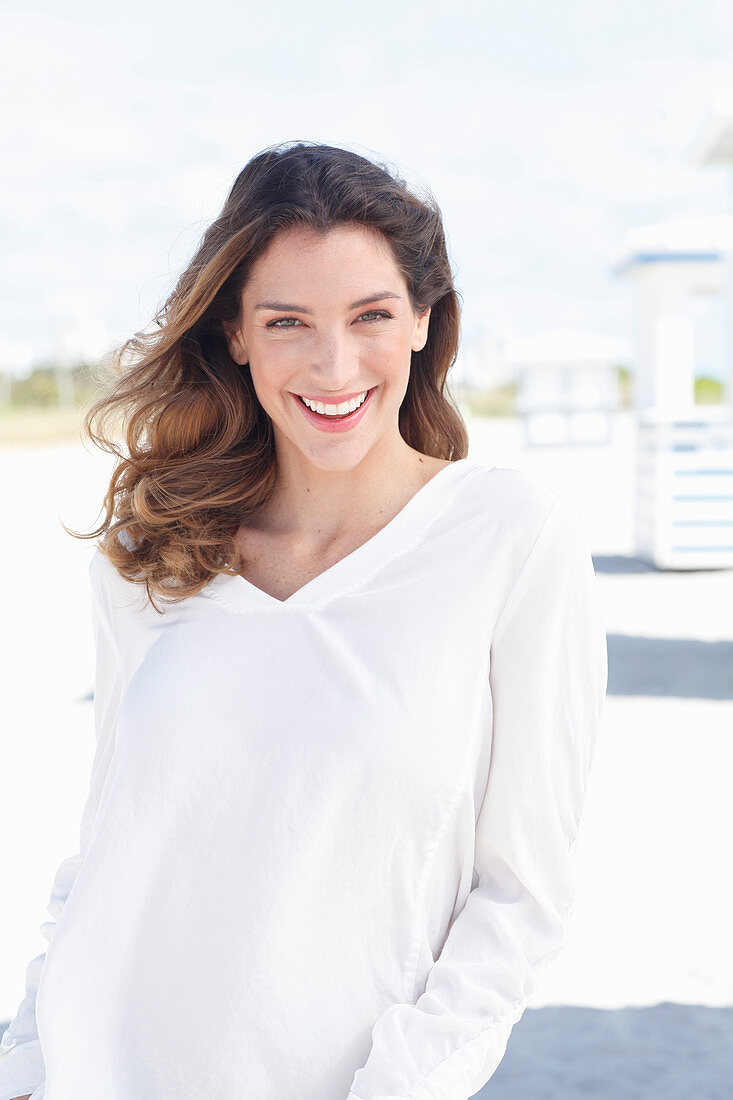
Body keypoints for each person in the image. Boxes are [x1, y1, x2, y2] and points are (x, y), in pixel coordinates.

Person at [0, 140, 608, 1100]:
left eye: (370, 315)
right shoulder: (152, 553)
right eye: (287, 321)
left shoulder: (509, 538)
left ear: (421, 321)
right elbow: (109, 850)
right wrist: (27, 1060)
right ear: (235, 335)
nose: (333, 364)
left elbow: (521, 899)